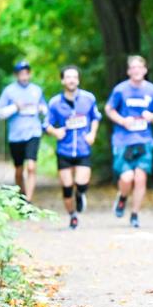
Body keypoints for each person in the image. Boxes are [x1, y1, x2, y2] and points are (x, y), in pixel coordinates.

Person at [105, 55, 153, 229]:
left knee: (140, 178)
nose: (137, 70)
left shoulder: (152, 90)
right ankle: (123, 197)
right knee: (127, 178)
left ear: (145, 70)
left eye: (140, 67)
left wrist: (152, 117)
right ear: (128, 71)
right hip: (123, 140)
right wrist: (122, 120)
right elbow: (109, 109)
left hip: (145, 139)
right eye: (133, 68)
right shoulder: (120, 90)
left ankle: (135, 214)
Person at [44, 65, 102, 230]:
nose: (71, 80)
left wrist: (92, 134)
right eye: (68, 77)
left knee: (81, 184)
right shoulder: (55, 103)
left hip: (83, 148)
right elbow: (45, 124)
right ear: (62, 80)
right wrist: (55, 132)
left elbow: (96, 117)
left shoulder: (88, 98)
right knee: (67, 187)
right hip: (64, 150)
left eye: (74, 77)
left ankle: (80, 194)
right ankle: (73, 216)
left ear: (78, 80)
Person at [0, 60, 48, 202]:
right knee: (19, 170)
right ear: (16, 75)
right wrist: (14, 108)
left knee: (31, 167)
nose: (24, 76)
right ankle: (22, 196)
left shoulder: (37, 90)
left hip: (33, 132)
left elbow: (46, 109)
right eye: (21, 74)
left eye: (26, 73)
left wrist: (42, 109)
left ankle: (29, 201)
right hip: (16, 135)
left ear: (30, 74)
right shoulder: (9, 91)